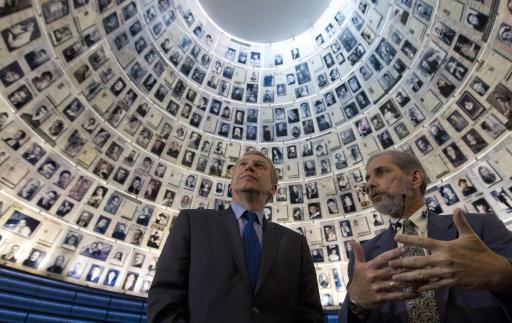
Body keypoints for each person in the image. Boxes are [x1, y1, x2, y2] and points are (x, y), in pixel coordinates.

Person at [149, 151, 323, 322]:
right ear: (231, 186)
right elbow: (165, 295)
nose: (249, 168)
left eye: (259, 165)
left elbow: (310, 313)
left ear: (273, 188)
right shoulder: (192, 223)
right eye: (243, 164)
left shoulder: (296, 243)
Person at [340, 150, 512, 323]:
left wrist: (501, 274)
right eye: (367, 178)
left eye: (380, 172)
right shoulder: (364, 256)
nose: (369, 184)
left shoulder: (481, 227)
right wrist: (356, 302)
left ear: (415, 178)